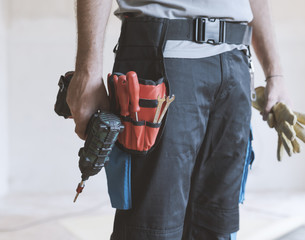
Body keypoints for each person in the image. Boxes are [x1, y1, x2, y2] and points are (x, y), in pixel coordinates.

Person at [66, 0, 291, 239]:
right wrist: (87, 70)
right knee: (151, 229)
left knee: (218, 226)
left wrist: (275, 73)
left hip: (235, 62)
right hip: (163, 58)